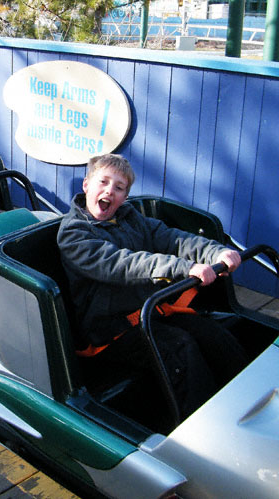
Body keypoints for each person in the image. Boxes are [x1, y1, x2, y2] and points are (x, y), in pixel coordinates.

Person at [57, 153, 248, 427]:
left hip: (149, 312)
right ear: (87, 184)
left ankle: (243, 405)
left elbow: (171, 238)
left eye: (119, 187)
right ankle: (201, 428)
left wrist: (214, 251)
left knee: (214, 335)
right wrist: (183, 268)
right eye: (104, 182)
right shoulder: (74, 233)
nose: (110, 191)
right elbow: (123, 264)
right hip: (111, 330)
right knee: (179, 348)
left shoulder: (130, 218)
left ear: (124, 197)